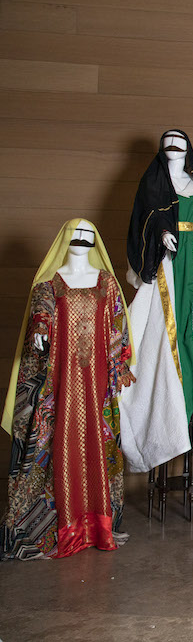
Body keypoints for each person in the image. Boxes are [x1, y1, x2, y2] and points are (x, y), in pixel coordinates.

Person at [2, 220, 135, 560]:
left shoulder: (106, 283)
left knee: (97, 442)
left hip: (97, 385)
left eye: (88, 235)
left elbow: (117, 325)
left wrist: (119, 366)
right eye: (76, 234)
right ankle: (60, 526)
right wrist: (40, 331)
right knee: (58, 440)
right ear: (64, 239)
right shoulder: (49, 286)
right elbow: (41, 314)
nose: (81, 239)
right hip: (59, 384)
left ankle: (99, 524)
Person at [119, 129, 193, 472]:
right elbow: (142, 221)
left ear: (189, 151)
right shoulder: (152, 184)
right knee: (161, 341)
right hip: (168, 268)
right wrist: (161, 233)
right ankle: (169, 422)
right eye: (168, 143)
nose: (174, 148)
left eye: (180, 143)